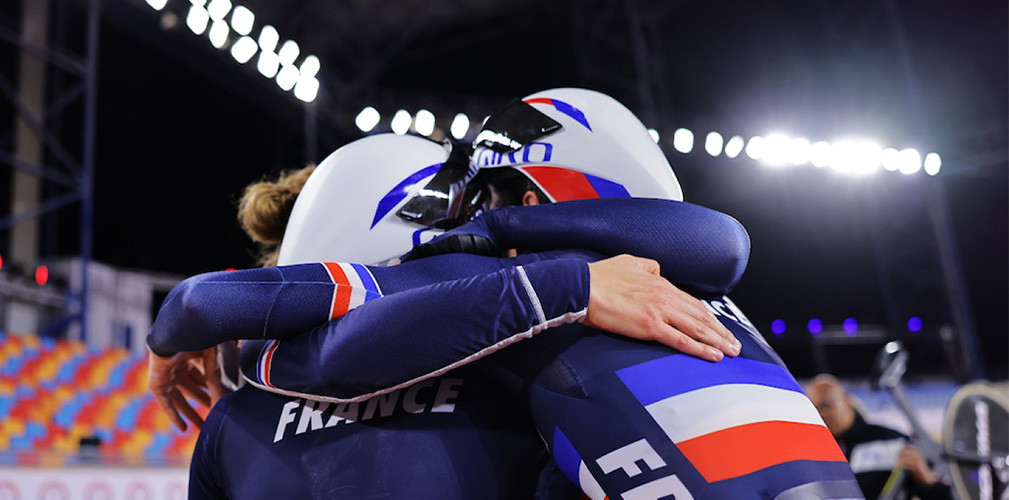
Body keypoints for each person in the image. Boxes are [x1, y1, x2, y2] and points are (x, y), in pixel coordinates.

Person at [151, 88, 862, 498]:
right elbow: (725, 240)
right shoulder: (644, 289)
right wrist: (560, 277)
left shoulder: (232, 418)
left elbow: (223, 313)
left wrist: (243, 355)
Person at [806, 374, 953, 500]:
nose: (820, 414)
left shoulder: (893, 442)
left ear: (847, 401)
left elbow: (948, 495)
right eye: (812, 409)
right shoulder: (810, 455)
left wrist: (928, 480)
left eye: (825, 405)